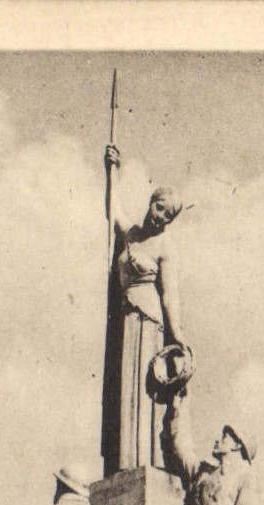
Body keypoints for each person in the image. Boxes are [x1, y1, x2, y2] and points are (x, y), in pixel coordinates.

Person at [102, 143, 186, 472]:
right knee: (126, 387)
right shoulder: (133, 235)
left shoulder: (165, 246)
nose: (160, 216)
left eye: (168, 215)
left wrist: (178, 338)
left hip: (149, 321)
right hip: (127, 319)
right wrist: (112, 170)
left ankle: (145, 460)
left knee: (144, 388)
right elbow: (113, 210)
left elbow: (169, 295)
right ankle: (127, 461)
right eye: (159, 207)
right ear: (152, 202)